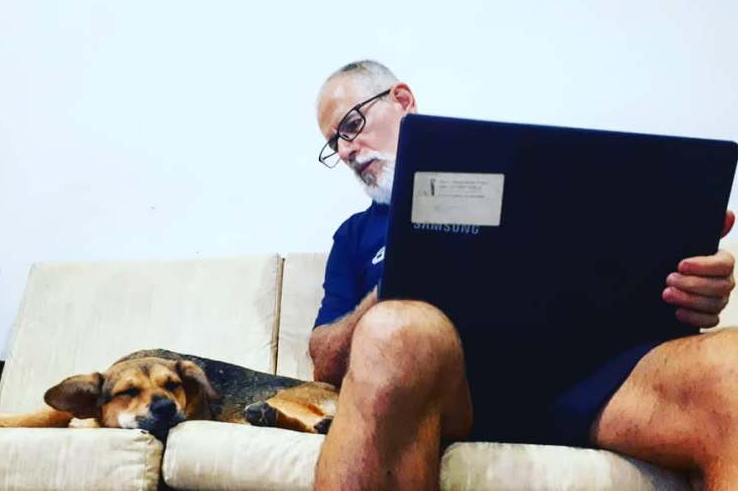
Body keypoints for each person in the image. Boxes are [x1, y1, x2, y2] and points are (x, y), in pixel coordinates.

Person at [309, 60, 737, 490]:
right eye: (333, 144)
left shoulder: (532, 176)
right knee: (394, 331)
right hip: (454, 394)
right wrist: (394, 284)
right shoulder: (354, 235)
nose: (345, 151)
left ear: (402, 100)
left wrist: (689, 280)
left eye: (351, 125)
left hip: (592, 385)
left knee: (729, 362)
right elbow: (324, 360)